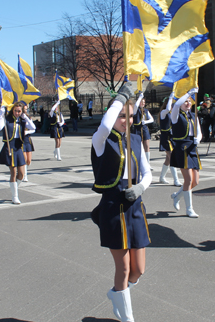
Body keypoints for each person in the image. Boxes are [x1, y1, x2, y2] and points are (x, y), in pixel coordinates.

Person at [90, 82, 151, 322]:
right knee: (124, 269)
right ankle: (127, 317)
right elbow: (106, 124)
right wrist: (122, 96)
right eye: (122, 115)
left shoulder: (135, 139)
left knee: (138, 270)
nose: (126, 120)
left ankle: (118, 294)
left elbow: (147, 172)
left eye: (131, 115)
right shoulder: (101, 140)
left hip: (135, 206)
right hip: (113, 207)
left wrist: (140, 188)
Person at [170, 88, 202, 218]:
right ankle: (189, 209)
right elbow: (177, 104)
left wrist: (197, 140)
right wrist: (188, 92)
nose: (188, 103)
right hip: (181, 147)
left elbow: (199, 131)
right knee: (188, 179)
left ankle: (177, 196)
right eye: (186, 101)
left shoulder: (193, 115)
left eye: (189, 101)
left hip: (192, 147)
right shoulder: (175, 114)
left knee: (196, 182)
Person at [0, 102, 36, 205]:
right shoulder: (7, 119)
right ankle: (15, 196)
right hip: (9, 147)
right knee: (13, 173)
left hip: (19, 147)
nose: (17, 113)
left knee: (22, 174)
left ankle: (14, 188)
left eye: (19, 111)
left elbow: (33, 127)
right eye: (15, 111)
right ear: (12, 110)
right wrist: (1, 115)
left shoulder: (22, 120)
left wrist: (25, 118)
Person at [158, 93, 181, 186]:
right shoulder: (163, 113)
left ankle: (161, 177)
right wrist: (171, 97)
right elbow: (167, 109)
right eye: (171, 104)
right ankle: (176, 180)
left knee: (168, 159)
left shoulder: (172, 114)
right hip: (165, 138)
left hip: (171, 137)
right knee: (172, 158)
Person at [133, 93, 154, 169]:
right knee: (139, 146)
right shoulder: (135, 110)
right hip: (137, 129)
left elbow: (151, 119)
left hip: (144, 128)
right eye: (142, 102)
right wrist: (140, 97)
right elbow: (135, 106)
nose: (143, 103)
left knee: (147, 146)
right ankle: (139, 163)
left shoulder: (145, 110)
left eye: (144, 102)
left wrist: (146, 122)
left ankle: (147, 163)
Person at [22, 110, 36, 182]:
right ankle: (25, 176)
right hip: (21, 140)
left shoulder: (28, 118)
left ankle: (23, 171)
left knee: (28, 161)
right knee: (24, 159)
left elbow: (33, 129)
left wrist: (27, 132)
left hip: (27, 139)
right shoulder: (18, 119)